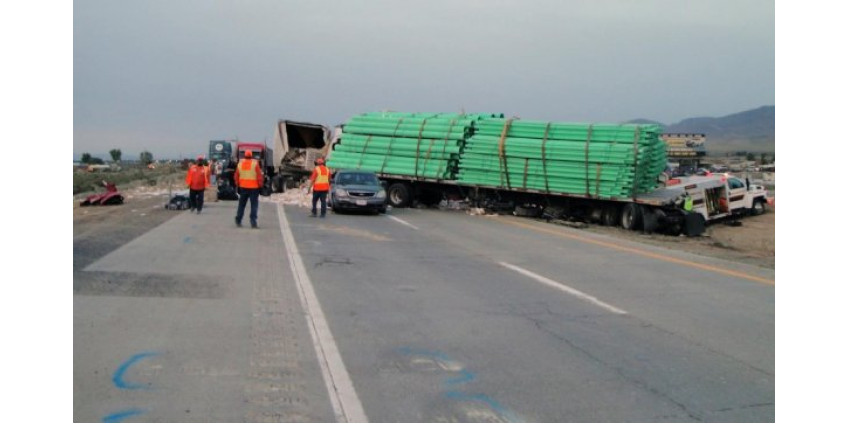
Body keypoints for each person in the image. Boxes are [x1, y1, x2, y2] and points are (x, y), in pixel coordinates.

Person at [234, 150, 263, 228]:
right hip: (254, 188)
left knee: (241, 205)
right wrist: (260, 186)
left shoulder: (240, 164)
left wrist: (237, 184)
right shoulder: (255, 164)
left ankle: (238, 220)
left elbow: (236, 176)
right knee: (254, 206)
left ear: (244, 156)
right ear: (251, 156)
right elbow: (259, 176)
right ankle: (253, 222)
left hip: (243, 187)